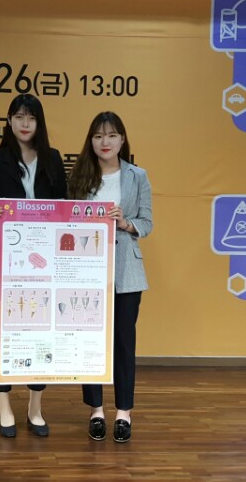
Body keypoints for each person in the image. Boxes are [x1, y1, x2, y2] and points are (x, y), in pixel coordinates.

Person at [0, 93, 67, 438]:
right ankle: (4, 405)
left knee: (42, 328)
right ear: (9, 121)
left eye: (30, 117)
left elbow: (64, 206)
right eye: (18, 116)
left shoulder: (53, 158)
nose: (25, 123)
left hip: (45, 259)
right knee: (3, 329)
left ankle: (35, 406)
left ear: (39, 122)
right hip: (6, 258)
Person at [67, 111, 153, 444]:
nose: (105, 142)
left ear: (122, 140)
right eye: (99, 136)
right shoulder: (78, 175)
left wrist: (125, 222)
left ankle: (123, 413)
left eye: (112, 135)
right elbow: (67, 220)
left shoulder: (137, 176)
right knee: (89, 341)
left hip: (126, 271)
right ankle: (96, 411)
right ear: (90, 141)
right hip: (86, 269)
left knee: (124, 343)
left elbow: (147, 222)